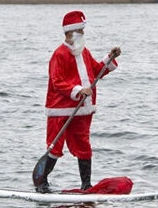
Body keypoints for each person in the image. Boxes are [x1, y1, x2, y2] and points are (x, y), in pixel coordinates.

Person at [36, 10, 121, 193]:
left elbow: (97, 71)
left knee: (83, 144)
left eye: (83, 31)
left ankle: (86, 184)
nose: (83, 34)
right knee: (55, 146)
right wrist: (78, 90)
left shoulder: (84, 52)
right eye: (80, 31)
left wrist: (110, 58)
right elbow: (57, 82)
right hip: (60, 109)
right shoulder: (59, 54)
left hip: (81, 109)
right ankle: (42, 182)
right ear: (70, 33)